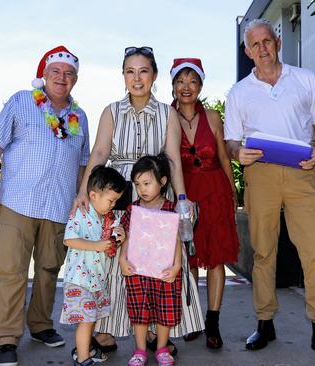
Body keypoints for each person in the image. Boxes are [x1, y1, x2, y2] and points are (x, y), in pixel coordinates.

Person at [224, 19, 315, 363]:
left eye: (267, 41)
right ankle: (265, 323)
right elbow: (232, 140)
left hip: (302, 172)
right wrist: (237, 152)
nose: (262, 49)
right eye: (254, 45)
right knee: (263, 252)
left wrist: (314, 144)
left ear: (277, 42)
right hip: (259, 174)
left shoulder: (304, 79)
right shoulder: (239, 93)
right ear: (247, 52)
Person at [70, 46, 204, 355]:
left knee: (159, 261)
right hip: (117, 191)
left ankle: (159, 333)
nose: (137, 78)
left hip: (156, 191)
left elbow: (171, 157)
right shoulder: (111, 111)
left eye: (143, 71)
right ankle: (105, 331)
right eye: (130, 71)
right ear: (123, 76)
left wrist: (181, 199)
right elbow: (100, 153)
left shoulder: (166, 112)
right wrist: (83, 192)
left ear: (154, 75)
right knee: (117, 262)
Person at [0, 45, 90, 366]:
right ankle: (5, 337)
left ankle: (40, 324)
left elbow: (84, 162)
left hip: (59, 207)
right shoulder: (21, 101)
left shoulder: (79, 116)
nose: (62, 78)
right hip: (18, 201)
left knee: (49, 270)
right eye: (56, 71)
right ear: (44, 75)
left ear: (75, 80)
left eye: (69, 74)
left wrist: (81, 196)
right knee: (10, 270)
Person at [169, 58, 239, 349]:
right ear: (172, 85)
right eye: (181, 81)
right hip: (183, 193)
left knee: (216, 257)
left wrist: (233, 190)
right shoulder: (165, 116)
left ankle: (213, 321)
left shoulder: (212, 116)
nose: (187, 87)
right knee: (188, 260)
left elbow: (223, 156)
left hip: (214, 191)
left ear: (200, 86)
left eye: (192, 81)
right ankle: (192, 318)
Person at [119, 154, 183, 366]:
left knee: (165, 309)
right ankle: (140, 350)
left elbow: (176, 240)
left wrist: (177, 266)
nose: (142, 189)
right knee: (139, 311)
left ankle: (162, 348)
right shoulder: (133, 209)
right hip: (137, 270)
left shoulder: (171, 208)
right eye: (137, 184)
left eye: (147, 183)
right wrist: (122, 259)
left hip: (164, 270)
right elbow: (126, 237)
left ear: (162, 181)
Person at [61, 166, 127, 366]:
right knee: (87, 320)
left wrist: (121, 235)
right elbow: (69, 240)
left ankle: (88, 349)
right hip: (79, 281)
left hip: (96, 280)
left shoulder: (107, 218)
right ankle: (82, 358)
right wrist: (96, 246)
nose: (113, 205)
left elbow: (115, 238)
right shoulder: (81, 213)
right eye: (111, 200)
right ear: (93, 195)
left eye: (116, 201)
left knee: (92, 318)